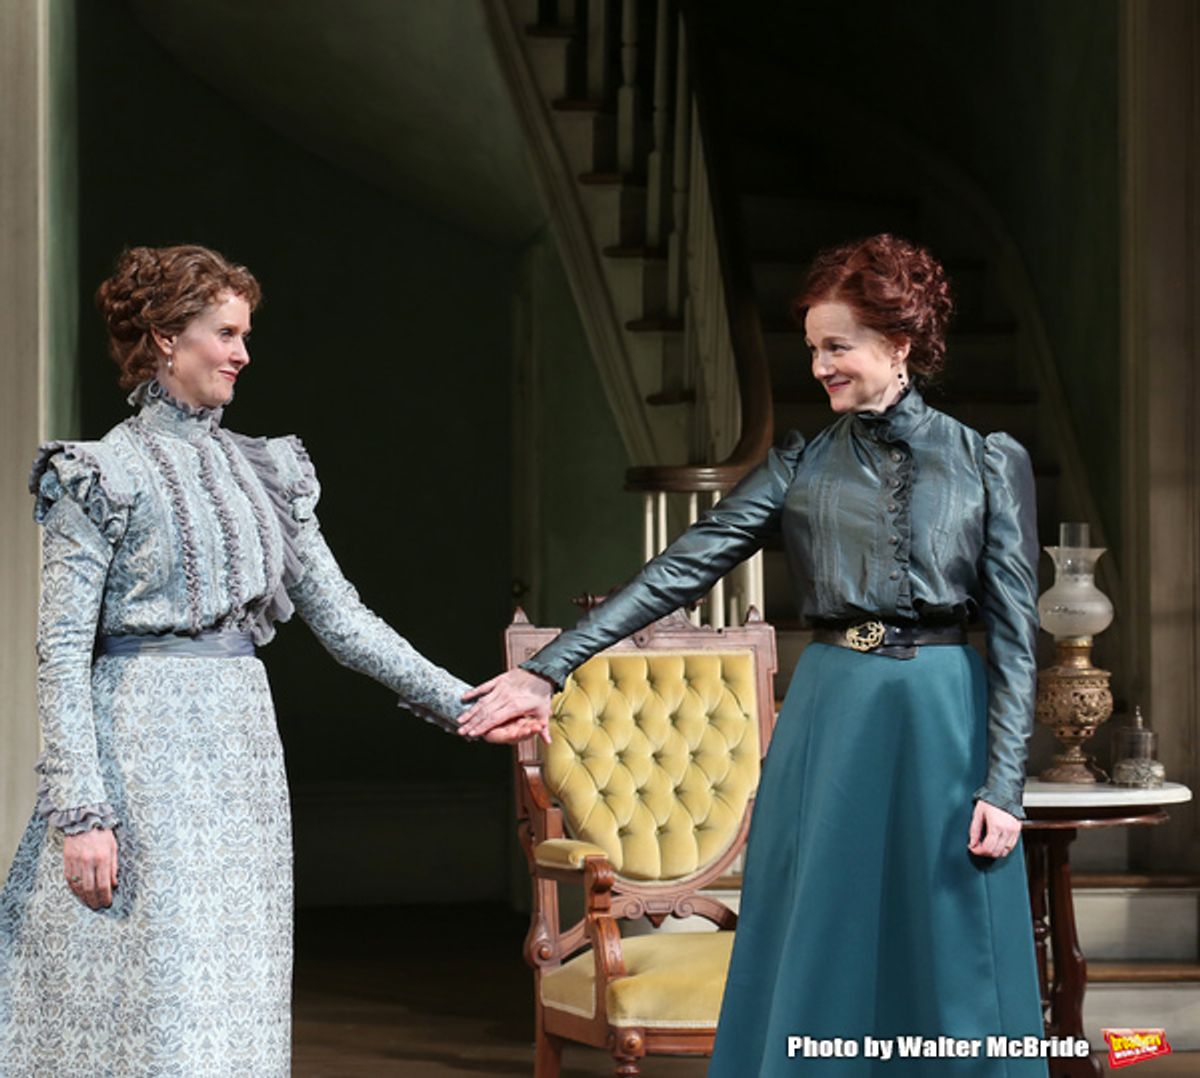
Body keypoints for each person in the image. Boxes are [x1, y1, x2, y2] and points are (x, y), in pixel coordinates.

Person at [460, 234, 1049, 1075]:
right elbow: (678, 569)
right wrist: (550, 665)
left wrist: (1005, 784)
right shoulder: (799, 467)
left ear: (901, 344)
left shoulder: (989, 463)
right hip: (833, 716)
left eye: (837, 346)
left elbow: (1017, 633)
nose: (820, 367)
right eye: (813, 349)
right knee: (825, 932)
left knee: (952, 942)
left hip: (945, 715)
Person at [0, 244, 509, 1075]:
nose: (243, 353)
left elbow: (343, 620)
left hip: (240, 753)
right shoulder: (100, 475)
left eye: (244, 334)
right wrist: (82, 815)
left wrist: (462, 701)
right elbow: (58, 651)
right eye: (225, 333)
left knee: (240, 985)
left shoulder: (267, 470)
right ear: (165, 338)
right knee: (157, 988)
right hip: (144, 750)